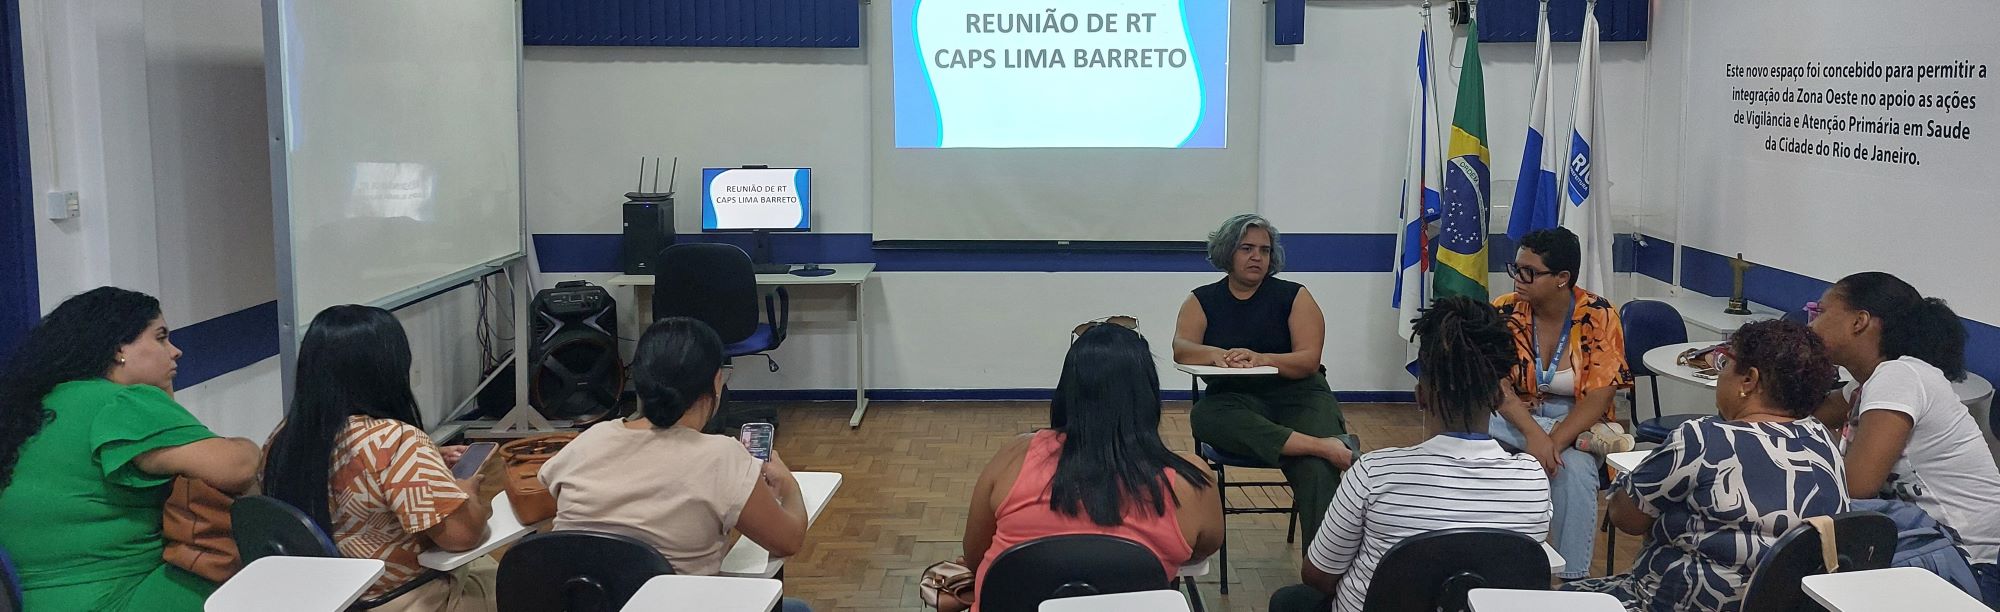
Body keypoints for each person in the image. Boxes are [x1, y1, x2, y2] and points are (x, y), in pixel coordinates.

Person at [1270, 297, 1552, 612]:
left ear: (1420, 396)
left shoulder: (1373, 474)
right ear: (1499, 396)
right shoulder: (1532, 478)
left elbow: (1318, 575)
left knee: (1290, 601)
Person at [0, 287, 262, 611]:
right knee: (256, 573)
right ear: (119, 349)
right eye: (161, 337)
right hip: (116, 598)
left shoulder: (32, 407)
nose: (175, 351)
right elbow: (236, 468)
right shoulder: (121, 404)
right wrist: (249, 446)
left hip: (33, 602)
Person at [1564, 320, 1848, 612]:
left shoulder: (1703, 439)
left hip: (1668, 604)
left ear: (1748, 380)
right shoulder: (1824, 439)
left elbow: (1626, 518)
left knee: (1557, 597)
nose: (1720, 372)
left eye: (1724, 362)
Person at [540, 317, 813, 612]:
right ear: (716, 383)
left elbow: (548, 509)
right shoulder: (722, 456)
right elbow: (788, 541)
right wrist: (790, 488)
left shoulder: (590, 440)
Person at [964, 323, 1223, 612]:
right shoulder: (1191, 480)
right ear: (1148, 394)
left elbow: (976, 556)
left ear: (1067, 390)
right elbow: (1203, 549)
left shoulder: (1014, 456)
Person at [261, 305, 496, 612]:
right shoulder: (397, 442)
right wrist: (467, 492)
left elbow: (347, 467)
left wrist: (430, 459)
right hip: (402, 598)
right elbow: (462, 537)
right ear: (388, 369)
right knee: (510, 575)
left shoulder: (282, 439)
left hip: (323, 600)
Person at [1807, 271, 2000, 606]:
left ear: (1860, 321)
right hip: (1926, 546)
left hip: (1969, 567)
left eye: (1821, 312)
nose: (1811, 325)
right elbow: (1803, 419)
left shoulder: (1900, 376)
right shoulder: (1868, 384)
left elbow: (1855, 487)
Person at [1175, 213, 1352, 540]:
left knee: (1316, 471)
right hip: (1234, 400)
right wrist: (1215, 354)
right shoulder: (1201, 299)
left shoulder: (1295, 296)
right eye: (1247, 248)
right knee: (1204, 416)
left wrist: (1263, 359)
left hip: (1300, 395)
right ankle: (1322, 445)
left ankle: (1324, 574)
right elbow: (1181, 347)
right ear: (1228, 252)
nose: (1257, 256)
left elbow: (1309, 360)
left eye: (1264, 250)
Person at [1490, 226, 1634, 580]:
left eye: (1529, 272)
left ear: (1562, 278)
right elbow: (1496, 384)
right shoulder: (1504, 309)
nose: (1517, 279)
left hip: (1574, 419)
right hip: (1514, 417)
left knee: (1577, 470)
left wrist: (1552, 442)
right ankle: (1499, 571)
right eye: (1516, 268)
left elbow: (1601, 394)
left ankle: (1573, 581)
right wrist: (1536, 436)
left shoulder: (1599, 314)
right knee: (1480, 424)